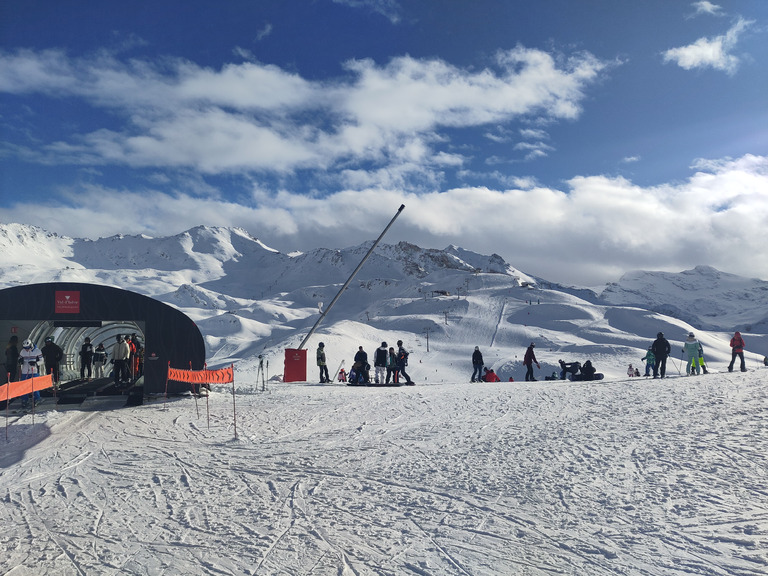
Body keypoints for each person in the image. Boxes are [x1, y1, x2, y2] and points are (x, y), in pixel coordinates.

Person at [19, 338, 43, 409]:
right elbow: (19, 358)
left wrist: (36, 363)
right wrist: (20, 361)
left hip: (34, 370)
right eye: (25, 348)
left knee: (34, 385)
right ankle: (24, 399)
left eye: (27, 348)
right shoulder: (22, 351)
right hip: (25, 370)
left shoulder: (37, 351)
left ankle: (37, 398)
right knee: (24, 386)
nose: (26, 350)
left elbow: (42, 361)